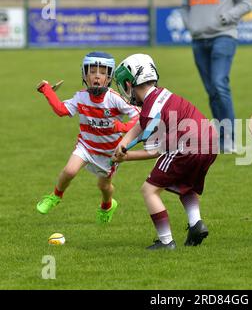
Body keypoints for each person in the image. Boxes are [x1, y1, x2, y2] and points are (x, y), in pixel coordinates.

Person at [112, 53, 218, 250]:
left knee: (149, 190)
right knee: (184, 183)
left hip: (187, 147)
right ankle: (196, 224)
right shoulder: (163, 94)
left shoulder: (150, 111)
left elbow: (155, 152)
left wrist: (126, 157)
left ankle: (166, 241)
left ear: (130, 82)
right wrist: (123, 143)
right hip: (210, 142)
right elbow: (141, 124)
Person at [36, 51, 140, 223]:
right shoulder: (81, 97)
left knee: (104, 186)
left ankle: (107, 205)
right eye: (92, 72)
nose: (96, 77)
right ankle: (55, 197)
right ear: (85, 74)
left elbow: (138, 117)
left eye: (102, 72)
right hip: (86, 146)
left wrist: (121, 126)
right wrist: (47, 90)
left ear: (109, 77)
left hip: (109, 153)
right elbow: (62, 110)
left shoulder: (114, 99)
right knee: (69, 171)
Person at [180, 0, 252, 152]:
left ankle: (230, 138)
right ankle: (222, 139)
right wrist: (190, 24)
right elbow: (184, 6)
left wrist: (226, 17)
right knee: (212, 91)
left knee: (219, 84)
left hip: (223, 36)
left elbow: (246, 3)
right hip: (198, 41)